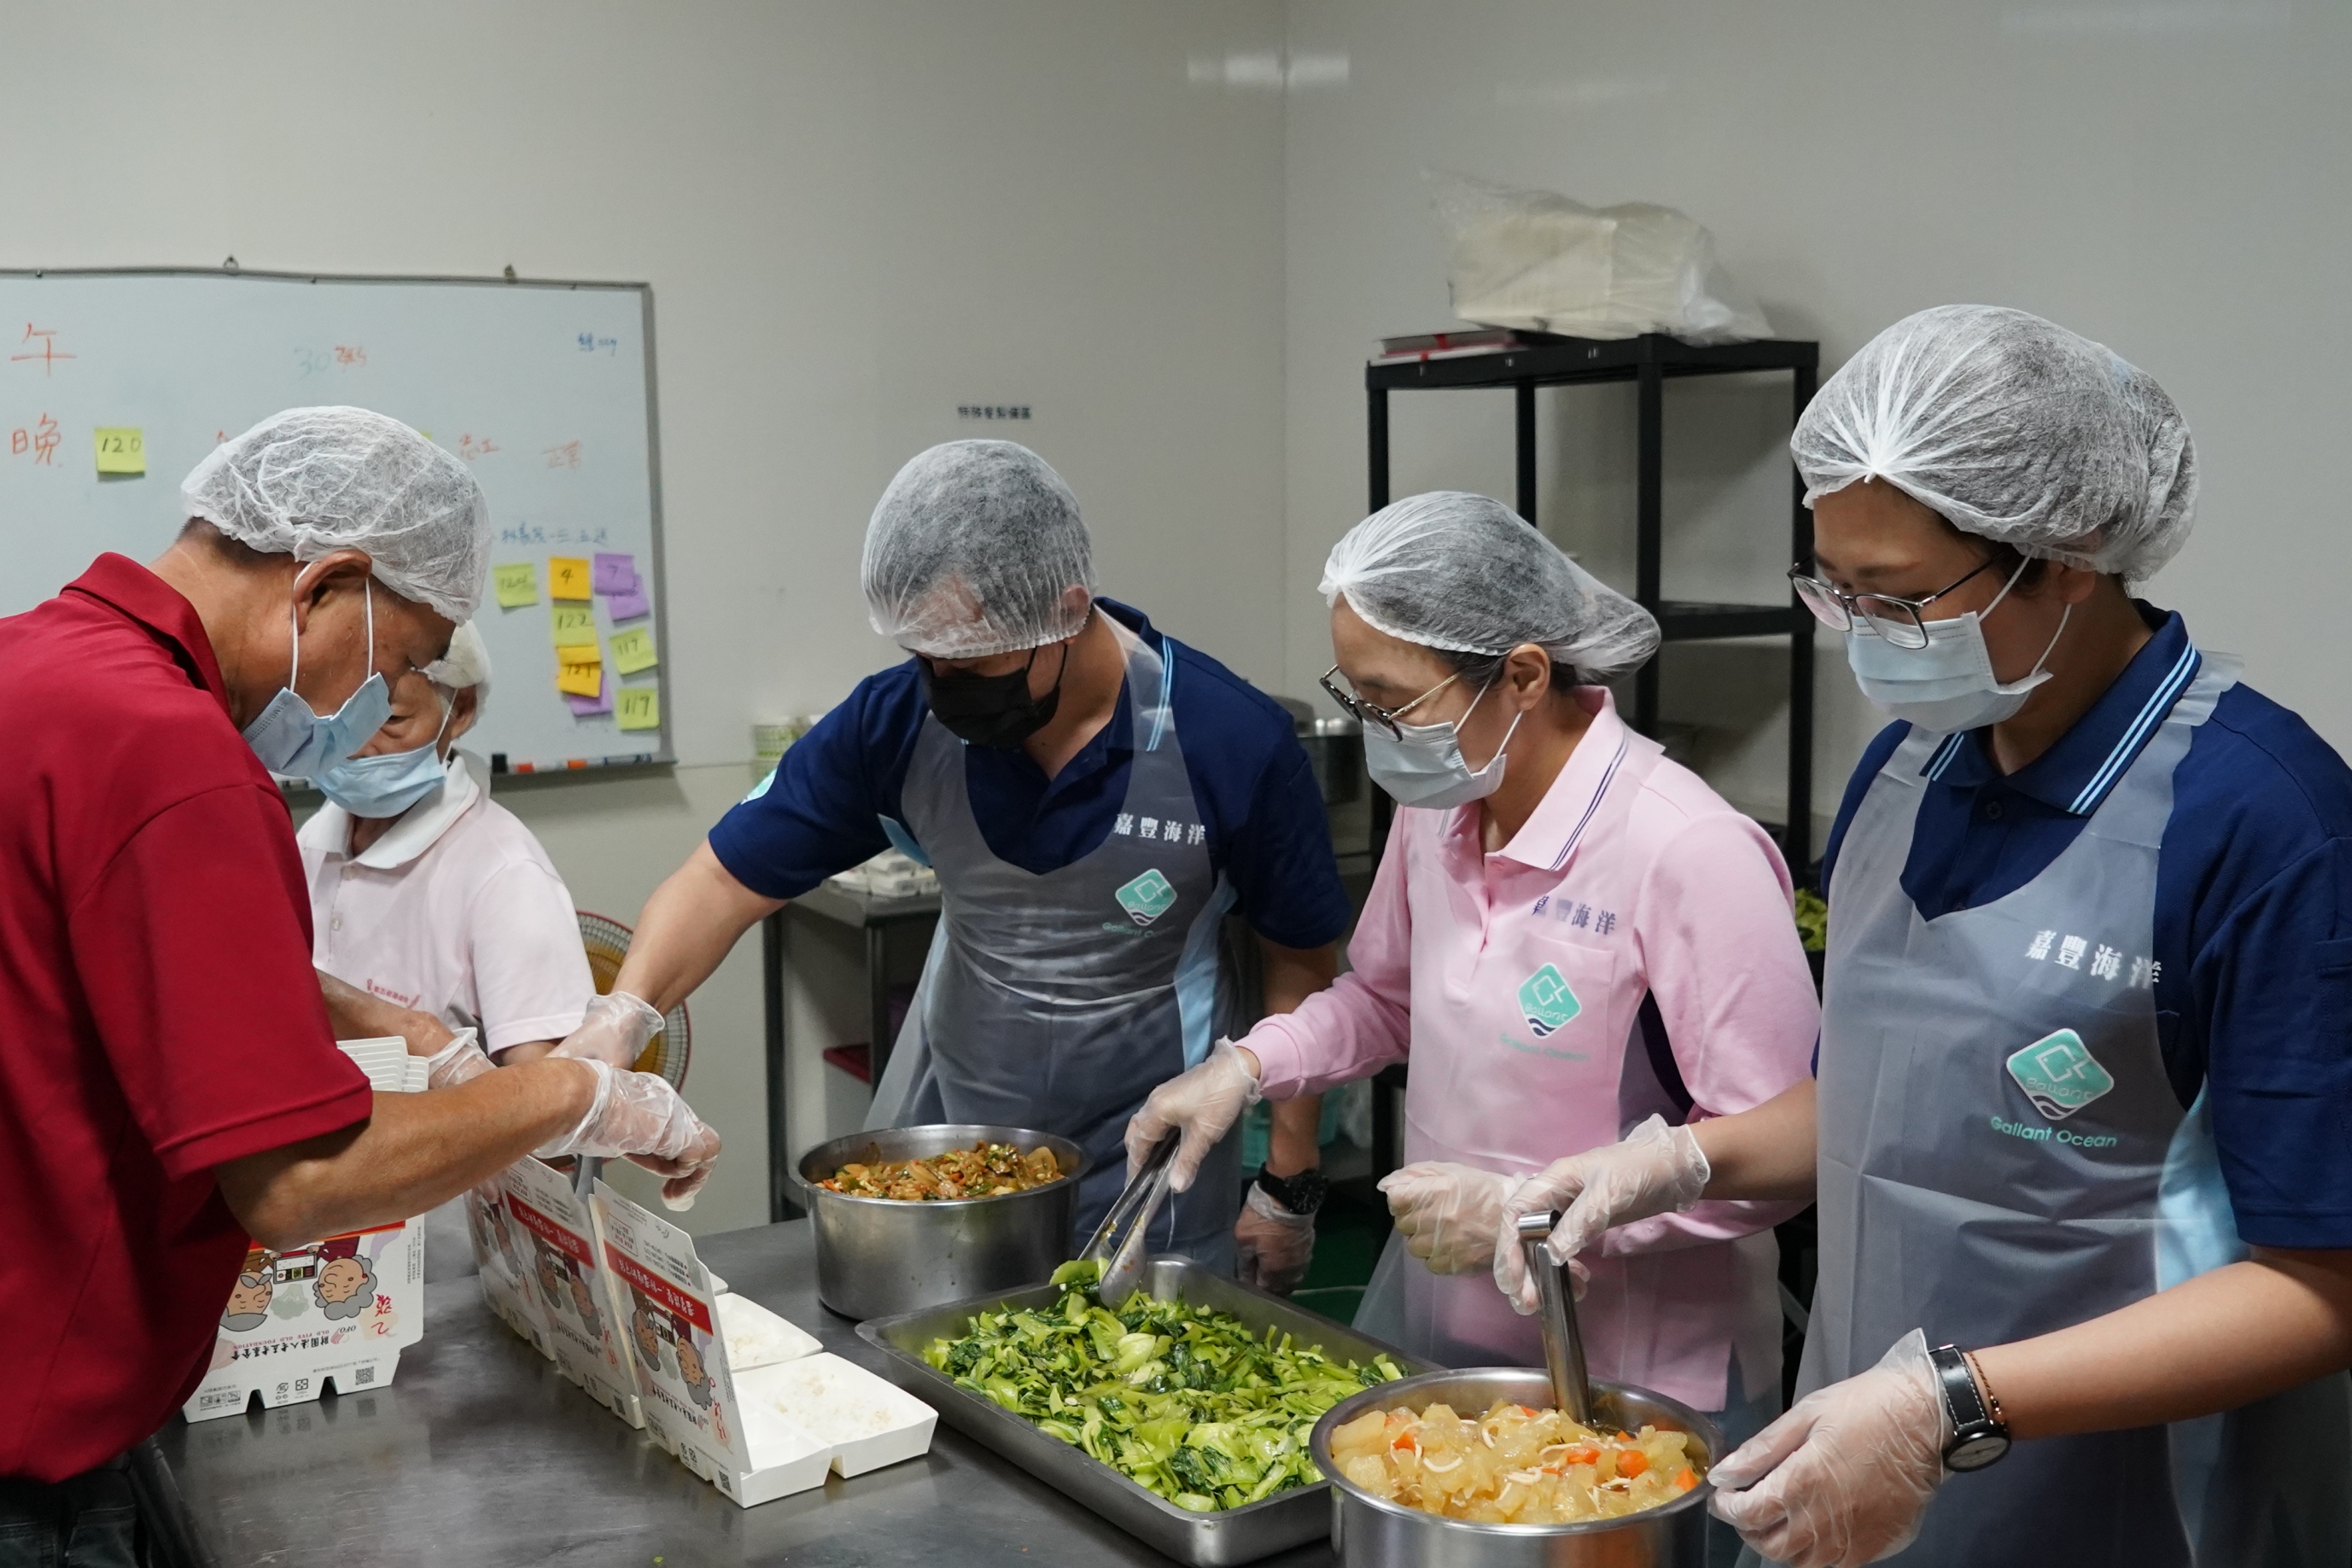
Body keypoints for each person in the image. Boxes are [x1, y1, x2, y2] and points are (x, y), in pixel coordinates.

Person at [1501, 306, 2352, 1568]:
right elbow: (1887, 1101)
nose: (1860, 636)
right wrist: (1674, 1163)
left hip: (2110, 1507)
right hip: (1848, 1464)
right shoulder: (1909, 769)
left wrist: (1946, 1404)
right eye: (1832, 589)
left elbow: (2316, 1284)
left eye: (1895, 595)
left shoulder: (2260, 821)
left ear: (2066, 550)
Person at [0, 407, 719, 1563]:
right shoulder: (179, 756)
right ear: (327, 583)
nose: (370, 706)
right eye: (394, 661)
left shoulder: (30, 663)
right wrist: (575, 1097)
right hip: (32, 1461)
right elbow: (297, 1184)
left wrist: (383, 1022)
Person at [1126, 493, 1819, 1466]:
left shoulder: (1687, 849)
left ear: (1524, 676)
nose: (1375, 729)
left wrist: (1530, 1215)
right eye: (1355, 696)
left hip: (1639, 1367)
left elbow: (1785, 1148)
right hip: (1452, 1326)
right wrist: (1250, 1064)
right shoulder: (1444, 807)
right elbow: (1387, 998)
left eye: (1391, 701)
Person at [555, 440, 1351, 1279]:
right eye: (925, 657)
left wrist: (1287, 1178)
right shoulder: (897, 723)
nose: (944, 683)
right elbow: (723, 878)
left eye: (971, 662)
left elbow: (1297, 956)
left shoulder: (1228, 741)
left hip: (1156, 1171)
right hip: (959, 1166)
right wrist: (627, 1011)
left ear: (1067, 608)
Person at [299, 622, 607, 1279]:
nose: (354, 748)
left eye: (391, 721)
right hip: (321, 1231)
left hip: (451, 1257)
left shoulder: (502, 873)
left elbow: (551, 1125)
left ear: (458, 709)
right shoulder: (311, 842)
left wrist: (433, 1049)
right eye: (335, 719)